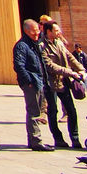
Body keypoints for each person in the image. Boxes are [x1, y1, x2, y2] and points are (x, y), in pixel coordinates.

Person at [40, 21, 84, 150]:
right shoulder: (42, 46)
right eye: (56, 30)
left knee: (71, 110)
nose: (59, 33)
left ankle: (75, 138)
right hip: (50, 83)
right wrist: (70, 72)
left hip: (63, 82)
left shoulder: (59, 43)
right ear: (49, 31)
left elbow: (70, 57)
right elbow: (49, 65)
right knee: (53, 111)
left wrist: (81, 69)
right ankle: (58, 139)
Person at [14, 19, 54, 151]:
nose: (37, 33)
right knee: (33, 111)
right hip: (32, 82)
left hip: (39, 81)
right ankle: (36, 141)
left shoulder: (34, 43)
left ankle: (33, 140)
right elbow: (19, 65)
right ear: (26, 31)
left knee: (36, 110)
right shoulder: (22, 45)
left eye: (38, 30)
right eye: (34, 31)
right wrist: (28, 81)